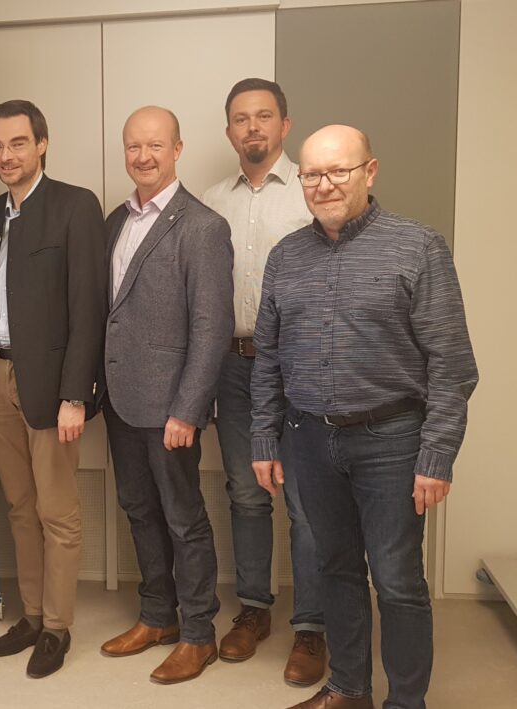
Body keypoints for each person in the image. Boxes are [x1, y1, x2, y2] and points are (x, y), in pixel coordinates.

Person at [251, 125, 478, 709]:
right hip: (308, 439)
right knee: (335, 568)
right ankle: (349, 690)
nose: (324, 185)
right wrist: (263, 438)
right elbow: (269, 358)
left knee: (397, 581)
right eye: (312, 174)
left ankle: (406, 702)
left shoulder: (418, 247)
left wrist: (437, 456)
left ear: (369, 172)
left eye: (338, 171)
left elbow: (452, 364)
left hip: (393, 441)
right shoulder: (285, 257)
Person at [0, 100, 106, 678]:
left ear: (42, 144)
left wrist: (76, 395)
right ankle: (29, 616)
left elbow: (88, 308)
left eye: (18, 143)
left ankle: (56, 627)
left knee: (56, 511)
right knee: (20, 508)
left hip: (51, 384)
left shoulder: (75, 205)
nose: (6, 156)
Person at [99, 106, 233, 685]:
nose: (143, 156)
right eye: (134, 146)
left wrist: (188, 409)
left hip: (171, 407)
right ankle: (158, 617)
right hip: (121, 400)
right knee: (138, 509)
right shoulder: (114, 221)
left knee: (183, 518)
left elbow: (212, 327)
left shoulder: (202, 226)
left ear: (177, 149)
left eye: (155, 145)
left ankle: (199, 634)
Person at [200, 78, 325, 684]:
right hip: (231, 365)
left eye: (264, 116)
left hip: (298, 367)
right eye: (241, 118)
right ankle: (253, 608)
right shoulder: (210, 202)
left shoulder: (312, 192)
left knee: (305, 501)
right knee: (246, 494)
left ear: (285, 125)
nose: (252, 127)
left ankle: (312, 627)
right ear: (229, 131)